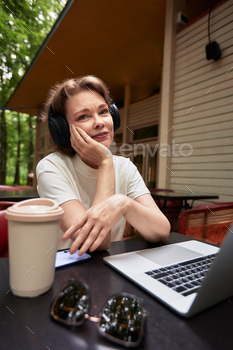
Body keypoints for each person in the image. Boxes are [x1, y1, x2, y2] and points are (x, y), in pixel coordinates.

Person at [36, 75, 170, 256]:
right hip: (67, 274)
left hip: (111, 269)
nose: (99, 122)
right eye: (84, 116)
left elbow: (161, 231)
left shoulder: (125, 167)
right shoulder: (51, 167)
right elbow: (97, 243)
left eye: (104, 112)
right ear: (61, 129)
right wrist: (105, 163)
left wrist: (125, 204)